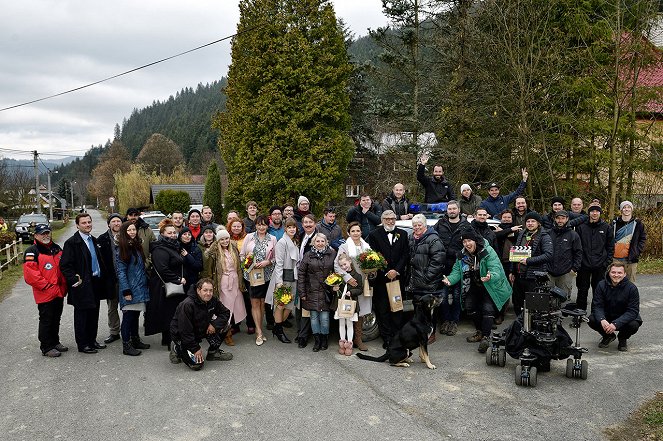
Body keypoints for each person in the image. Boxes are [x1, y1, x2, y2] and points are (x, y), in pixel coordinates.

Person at [443, 228, 511, 353]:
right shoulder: (462, 255)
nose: (467, 244)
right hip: (474, 284)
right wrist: (450, 280)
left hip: (490, 284)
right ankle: (480, 331)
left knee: (487, 309)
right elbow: (457, 271)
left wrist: (491, 275)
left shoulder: (487, 251)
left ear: (475, 240)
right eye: (464, 242)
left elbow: (495, 267)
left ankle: (486, 337)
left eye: (469, 241)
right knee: (470, 307)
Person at [60, 213, 111, 354]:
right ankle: (83, 344)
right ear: (77, 225)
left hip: (95, 283)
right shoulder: (72, 243)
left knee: (94, 313)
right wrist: (75, 280)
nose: (88, 225)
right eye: (84, 223)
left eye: (89, 222)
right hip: (82, 284)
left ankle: (92, 340)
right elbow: (65, 265)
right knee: (82, 316)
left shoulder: (93, 240)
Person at [23, 224, 68, 357]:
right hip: (45, 293)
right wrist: (47, 286)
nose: (46, 235)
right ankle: (46, 346)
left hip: (58, 291)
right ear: (36, 235)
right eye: (42, 233)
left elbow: (63, 267)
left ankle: (55, 341)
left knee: (56, 318)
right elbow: (31, 274)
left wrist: (64, 286)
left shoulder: (56, 248)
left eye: (47, 232)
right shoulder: (32, 251)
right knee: (46, 319)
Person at [169, 278, 232, 370]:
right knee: (197, 365)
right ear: (198, 290)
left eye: (211, 290)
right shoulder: (187, 305)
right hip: (183, 335)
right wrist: (195, 348)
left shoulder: (213, 300)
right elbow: (185, 330)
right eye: (205, 290)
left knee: (225, 325)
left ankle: (213, 353)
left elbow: (225, 312)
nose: (208, 293)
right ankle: (176, 347)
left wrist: (214, 324)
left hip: (200, 329)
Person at [367, 210, 409, 349]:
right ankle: (387, 338)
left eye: (392, 219)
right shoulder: (374, 235)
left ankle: (397, 337)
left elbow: (405, 255)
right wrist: (386, 271)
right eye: (387, 219)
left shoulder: (402, 234)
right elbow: (374, 255)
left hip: (397, 279)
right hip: (381, 280)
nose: (390, 221)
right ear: (382, 220)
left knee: (397, 308)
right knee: (383, 310)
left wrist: (396, 270)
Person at [145, 218, 186, 348]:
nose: (173, 235)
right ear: (162, 234)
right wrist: (178, 279)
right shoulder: (160, 249)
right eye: (170, 233)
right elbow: (163, 269)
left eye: (174, 232)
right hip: (165, 286)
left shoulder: (173, 246)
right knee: (169, 314)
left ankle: (168, 339)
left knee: (171, 313)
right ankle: (170, 342)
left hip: (171, 285)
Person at [202, 229, 246, 347]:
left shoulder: (233, 249)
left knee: (236, 307)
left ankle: (229, 329)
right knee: (225, 309)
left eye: (226, 238)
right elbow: (209, 271)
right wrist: (211, 287)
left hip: (235, 281)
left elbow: (238, 267)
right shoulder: (214, 253)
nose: (225, 241)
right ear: (218, 240)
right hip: (223, 283)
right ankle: (226, 334)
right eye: (222, 239)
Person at [407, 214, 446, 343]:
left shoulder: (433, 239)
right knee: (418, 310)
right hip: (416, 282)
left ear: (425, 225)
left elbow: (438, 261)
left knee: (430, 312)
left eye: (419, 225)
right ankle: (419, 332)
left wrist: (426, 277)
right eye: (414, 225)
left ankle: (431, 333)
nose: (417, 227)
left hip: (429, 283)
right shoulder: (411, 238)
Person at [115, 221, 151, 356]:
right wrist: (126, 290)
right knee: (128, 317)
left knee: (136, 315)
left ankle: (135, 339)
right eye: (129, 230)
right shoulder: (122, 248)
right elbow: (121, 272)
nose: (132, 232)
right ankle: (126, 344)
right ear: (124, 232)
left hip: (140, 287)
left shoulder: (136, 246)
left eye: (134, 230)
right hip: (130, 289)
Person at [239, 215, 277, 346]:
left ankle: (259, 327)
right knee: (254, 302)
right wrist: (249, 263)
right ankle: (259, 332)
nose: (261, 227)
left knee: (262, 303)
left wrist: (267, 262)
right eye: (259, 224)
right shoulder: (249, 237)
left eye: (264, 225)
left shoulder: (272, 239)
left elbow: (276, 258)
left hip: (266, 275)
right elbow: (242, 255)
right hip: (251, 275)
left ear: (268, 226)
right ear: (255, 225)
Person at [588, 262, 642, 352]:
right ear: (609, 273)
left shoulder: (632, 288)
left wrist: (616, 324)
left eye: (619, 273)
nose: (616, 275)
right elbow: (597, 306)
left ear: (624, 274)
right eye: (613, 272)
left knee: (634, 325)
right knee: (592, 319)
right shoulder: (601, 285)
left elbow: (632, 311)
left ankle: (622, 338)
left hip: (624, 317)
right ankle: (608, 336)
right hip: (607, 316)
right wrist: (602, 319)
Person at [434, 200, 469, 336]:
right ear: (447, 210)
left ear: (459, 210)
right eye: (450, 209)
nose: (452, 211)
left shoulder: (466, 225)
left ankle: (454, 321)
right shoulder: (440, 223)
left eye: (454, 208)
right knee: (442, 296)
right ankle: (445, 321)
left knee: (456, 296)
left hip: (459, 265)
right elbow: (431, 237)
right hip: (442, 266)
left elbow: (474, 241)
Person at [335, 221, 372, 351]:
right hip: (350, 284)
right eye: (353, 231)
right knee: (349, 310)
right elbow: (336, 265)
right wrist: (347, 277)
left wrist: (373, 270)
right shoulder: (344, 247)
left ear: (361, 232)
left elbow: (371, 262)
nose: (356, 233)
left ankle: (358, 339)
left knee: (360, 311)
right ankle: (346, 339)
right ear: (348, 233)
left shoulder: (366, 246)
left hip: (363, 282)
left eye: (358, 231)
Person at [297, 233, 337, 352]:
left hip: (326, 292)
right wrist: (302, 292)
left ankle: (324, 339)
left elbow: (336, 270)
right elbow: (301, 274)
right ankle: (317, 340)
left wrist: (335, 284)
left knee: (324, 318)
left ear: (326, 242)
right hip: (311, 291)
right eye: (317, 241)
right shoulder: (308, 255)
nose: (320, 243)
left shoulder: (332, 254)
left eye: (322, 241)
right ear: (313, 243)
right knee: (314, 318)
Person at [509, 212, 553, 316]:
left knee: (534, 305)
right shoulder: (522, 234)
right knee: (517, 303)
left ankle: (532, 328)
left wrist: (529, 260)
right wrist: (512, 271)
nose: (530, 223)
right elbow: (514, 254)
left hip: (533, 277)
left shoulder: (544, 236)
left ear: (538, 223)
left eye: (533, 221)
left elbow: (548, 255)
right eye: (528, 221)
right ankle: (520, 325)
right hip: (519, 276)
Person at [265, 218, 300, 344]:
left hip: (293, 277)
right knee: (281, 305)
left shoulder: (294, 241)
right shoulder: (282, 242)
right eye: (289, 227)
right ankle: (279, 331)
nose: (292, 229)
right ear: (285, 228)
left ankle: (276, 327)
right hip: (283, 277)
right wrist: (279, 283)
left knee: (290, 306)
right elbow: (278, 264)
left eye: (293, 227)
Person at [575, 205, 614, 311]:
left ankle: (596, 312)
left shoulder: (606, 228)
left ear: (600, 213)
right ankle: (580, 312)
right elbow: (577, 247)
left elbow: (610, 247)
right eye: (592, 211)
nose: (595, 213)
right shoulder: (581, 227)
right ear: (589, 213)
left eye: (597, 211)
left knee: (598, 290)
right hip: (584, 264)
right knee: (582, 289)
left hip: (600, 265)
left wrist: (607, 262)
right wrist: (579, 262)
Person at [97, 213, 123, 345]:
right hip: (111, 280)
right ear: (109, 224)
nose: (116, 223)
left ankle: (130, 332)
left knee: (129, 307)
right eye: (114, 221)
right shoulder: (102, 239)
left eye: (119, 221)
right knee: (112, 307)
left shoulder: (127, 237)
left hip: (126, 279)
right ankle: (114, 332)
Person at [547, 210, 583, 299]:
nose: (560, 220)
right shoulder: (547, 233)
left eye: (563, 218)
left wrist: (574, 268)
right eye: (558, 218)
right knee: (547, 298)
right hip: (549, 271)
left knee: (563, 298)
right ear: (554, 219)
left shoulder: (573, 235)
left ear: (567, 219)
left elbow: (578, 253)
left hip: (566, 272)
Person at [227, 216, 253, 334]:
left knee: (248, 299)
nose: (236, 228)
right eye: (234, 226)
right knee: (233, 300)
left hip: (245, 272)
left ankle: (250, 323)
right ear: (230, 227)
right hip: (232, 274)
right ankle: (235, 324)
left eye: (239, 226)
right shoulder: (226, 238)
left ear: (242, 227)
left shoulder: (247, 238)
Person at [295, 214, 318, 347]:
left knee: (307, 306)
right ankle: (301, 332)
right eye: (305, 222)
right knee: (299, 306)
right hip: (300, 275)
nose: (308, 224)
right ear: (302, 225)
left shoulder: (317, 238)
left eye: (310, 222)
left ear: (315, 223)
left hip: (312, 277)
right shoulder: (302, 235)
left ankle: (304, 336)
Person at [334, 254, 363, 356]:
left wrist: (352, 292)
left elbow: (360, 289)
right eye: (341, 265)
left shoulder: (357, 276)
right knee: (341, 323)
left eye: (345, 264)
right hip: (341, 303)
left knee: (349, 324)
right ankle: (342, 342)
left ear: (350, 262)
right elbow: (333, 286)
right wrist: (334, 289)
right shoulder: (338, 275)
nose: (343, 267)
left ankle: (349, 344)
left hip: (351, 303)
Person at [612, 201, 647, 282]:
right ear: (621, 210)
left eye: (628, 207)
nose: (626, 209)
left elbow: (643, 239)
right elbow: (609, 239)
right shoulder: (614, 223)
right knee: (615, 283)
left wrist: (637, 251)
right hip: (615, 259)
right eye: (624, 207)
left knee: (630, 284)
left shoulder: (638, 224)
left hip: (631, 259)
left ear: (631, 209)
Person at [179, 227, 203, 295]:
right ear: (180, 236)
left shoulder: (196, 248)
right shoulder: (176, 247)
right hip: (180, 281)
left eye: (189, 234)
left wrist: (187, 255)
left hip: (192, 281)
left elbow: (199, 266)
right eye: (184, 234)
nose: (187, 236)